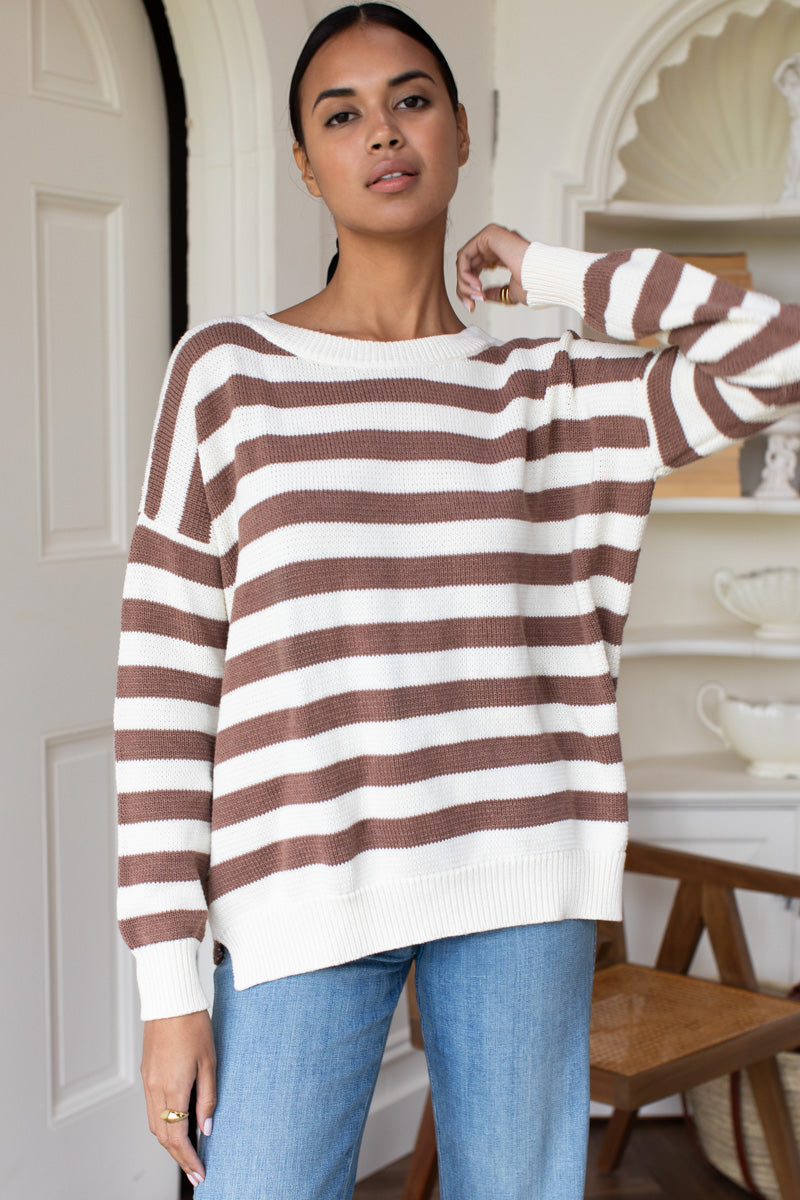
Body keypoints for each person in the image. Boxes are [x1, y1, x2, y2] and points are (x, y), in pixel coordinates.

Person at [114, 5, 800, 1198]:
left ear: (460, 130)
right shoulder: (226, 376)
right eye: (342, 115)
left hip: (517, 870)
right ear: (305, 165)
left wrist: (549, 274)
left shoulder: (554, 389)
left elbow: (775, 353)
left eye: (411, 99)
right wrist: (168, 988)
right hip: (297, 882)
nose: (382, 133)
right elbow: (164, 688)